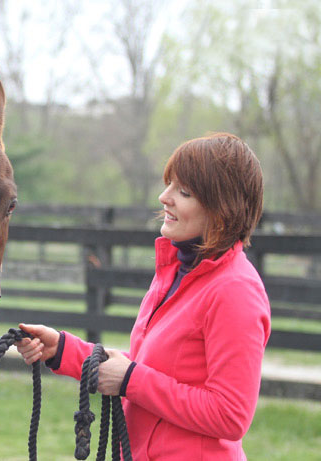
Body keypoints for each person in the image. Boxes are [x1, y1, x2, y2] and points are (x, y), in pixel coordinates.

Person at [16, 133, 271, 460]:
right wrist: (63, 350)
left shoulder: (235, 290)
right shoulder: (177, 272)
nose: (164, 197)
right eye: (169, 185)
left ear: (222, 208)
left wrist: (131, 381)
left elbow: (230, 414)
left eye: (184, 191)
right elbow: (152, 367)